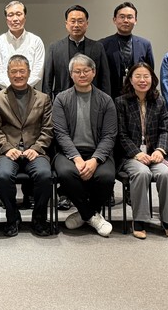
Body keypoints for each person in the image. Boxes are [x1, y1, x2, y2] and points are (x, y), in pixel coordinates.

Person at [52, 54, 116, 237]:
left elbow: (109, 135)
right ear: (71, 74)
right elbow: (61, 133)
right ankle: (92, 216)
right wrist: (77, 158)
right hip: (69, 153)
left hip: (98, 152)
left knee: (106, 176)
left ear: (93, 72)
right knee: (66, 173)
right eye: (77, 71)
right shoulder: (61, 99)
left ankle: (84, 214)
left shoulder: (105, 100)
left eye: (86, 70)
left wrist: (95, 160)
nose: (82, 75)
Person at [0, 54, 53, 237]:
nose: (18, 75)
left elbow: (48, 129)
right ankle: (12, 218)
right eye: (14, 71)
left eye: (22, 71)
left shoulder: (43, 98)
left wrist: (36, 148)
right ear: (8, 74)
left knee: (44, 175)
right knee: (3, 175)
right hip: (8, 152)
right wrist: (7, 148)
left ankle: (39, 218)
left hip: (35, 151)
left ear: (29, 73)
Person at [115, 62, 168, 239]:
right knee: (142, 173)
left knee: (166, 174)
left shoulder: (159, 101)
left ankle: (167, 220)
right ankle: (139, 220)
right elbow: (121, 134)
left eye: (146, 76)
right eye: (138, 76)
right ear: (130, 80)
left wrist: (160, 150)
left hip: (154, 154)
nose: (142, 80)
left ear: (152, 79)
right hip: (130, 156)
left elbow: (165, 130)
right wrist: (137, 153)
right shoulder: (121, 102)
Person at [43, 4, 111, 98]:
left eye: (80, 21)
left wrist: (105, 101)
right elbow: (47, 81)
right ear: (66, 24)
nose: (76, 25)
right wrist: (48, 103)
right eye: (73, 21)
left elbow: (105, 79)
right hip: (63, 100)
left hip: (92, 99)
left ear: (87, 24)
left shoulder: (97, 47)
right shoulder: (54, 48)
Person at [100, 2, 155, 98]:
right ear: (114, 20)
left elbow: (150, 72)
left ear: (135, 20)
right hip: (111, 96)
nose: (125, 20)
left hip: (138, 96)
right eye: (122, 17)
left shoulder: (145, 44)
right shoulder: (103, 44)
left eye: (129, 17)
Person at [0, 0, 45, 89]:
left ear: (25, 17)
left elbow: (37, 71)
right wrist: (13, 87)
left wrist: (23, 87)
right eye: (10, 15)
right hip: (5, 91)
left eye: (19, 14)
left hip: (30, 91)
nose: (15, 19)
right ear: (6, 19)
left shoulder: (36, 41)